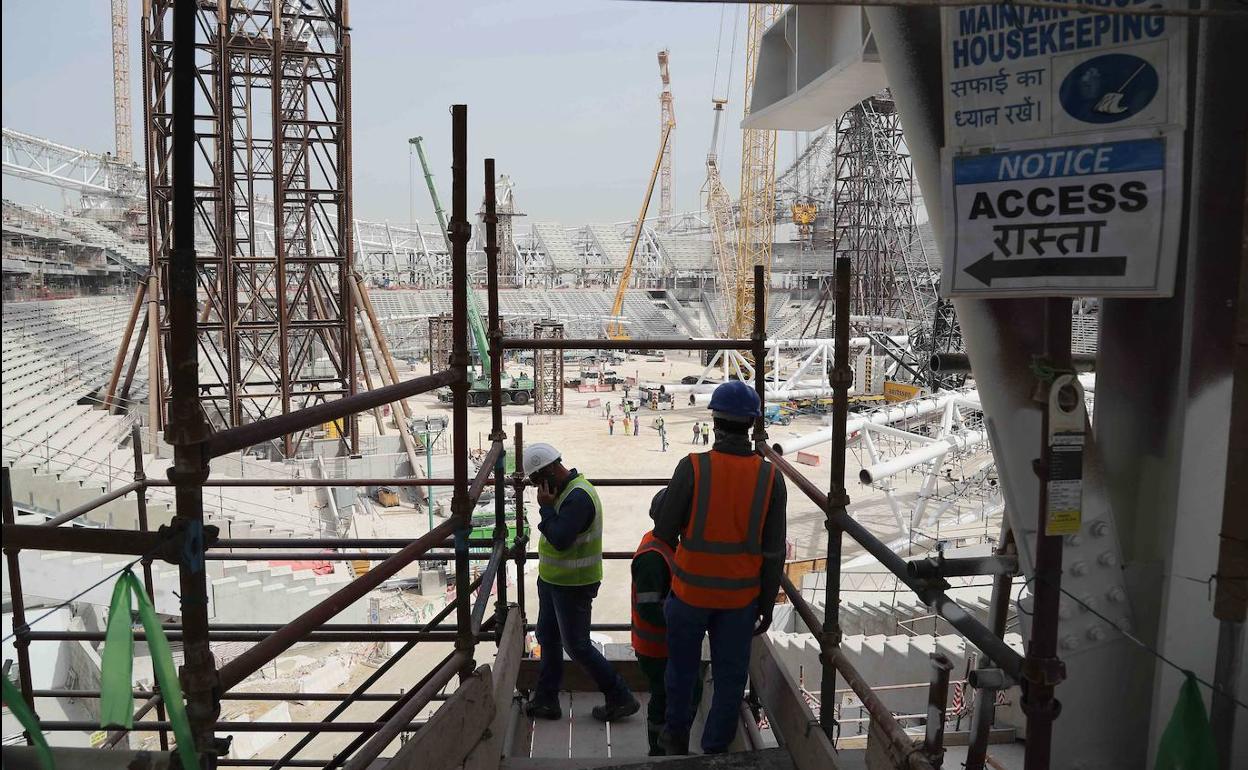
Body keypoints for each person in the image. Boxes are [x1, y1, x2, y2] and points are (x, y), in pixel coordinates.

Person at [653, 381, 787, 755]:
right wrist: (765, 604)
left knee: (680, 670)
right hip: (739, 600)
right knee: (730, 678)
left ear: (714, 421)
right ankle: (714, 749)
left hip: (690, 594)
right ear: (751, 424)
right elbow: (774, 552)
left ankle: (675, 737)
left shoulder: (693, 468)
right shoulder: (770, 477)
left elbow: (664, 530)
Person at [523, 443, 640, 722]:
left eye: (538, 480)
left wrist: (546, 511)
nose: (538, 487)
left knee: (577, 645)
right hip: (553, 581)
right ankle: (546, 700)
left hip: (573, 585)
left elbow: (561, 539)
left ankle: (620, 696)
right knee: (547, 638)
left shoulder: (578, 497)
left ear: (551, 469)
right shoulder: (564, 492)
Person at [632, 489, 702, 755]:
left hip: (667, 643)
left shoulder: (668, 544)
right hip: (657, 647)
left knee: (682, 692)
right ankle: (660, 751)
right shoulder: (653, 557)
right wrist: (688, 618)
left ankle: (668, 745)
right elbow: (650, 609)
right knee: (666, 696)